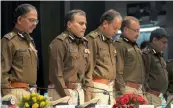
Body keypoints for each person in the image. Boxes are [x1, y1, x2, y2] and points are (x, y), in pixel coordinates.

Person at [48, 9, 93, 105]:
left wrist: (87, 96)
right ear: (69, 25)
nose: (84, 27)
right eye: (81, 23)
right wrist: (66, 96)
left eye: (85, 24)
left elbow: (88, 72)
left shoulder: (85, 43)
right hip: (60, 92)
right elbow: (56, 74)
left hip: (79, 91)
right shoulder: (59, 42)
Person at [1, 4, 39, 102]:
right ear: (19, 20)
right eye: (31, 20)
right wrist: (8, 98)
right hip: (16, 92)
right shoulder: (9, 40)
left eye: (36, 21)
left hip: (32, 92)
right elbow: (2, 72)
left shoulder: (30, 41)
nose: (34, 23)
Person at [86, 9, 122, 105]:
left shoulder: (110, 41)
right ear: (105, 23)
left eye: (118, 29)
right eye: (115, 28)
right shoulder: (92, 39)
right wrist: (88, 94)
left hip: (110, 87)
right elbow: (88, 69)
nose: (116, 32)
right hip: (97, 87)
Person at [114, 16, 146, 98]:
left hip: (139, 90)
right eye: (135, 30)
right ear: (125, 30)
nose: (138, 33)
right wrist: (122, 92)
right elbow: (118, 71)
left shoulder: (135, 46)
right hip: (127, 89)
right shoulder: (119, 45)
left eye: (139, 30)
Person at [142, 28, 169, 107]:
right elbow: (143, 77)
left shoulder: (159, 56)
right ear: (154, 40)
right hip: (150, 97)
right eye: (163, 42)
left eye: (166, 43)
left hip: (159, 97)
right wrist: (144, 96)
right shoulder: (146, 55)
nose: (166, 46)